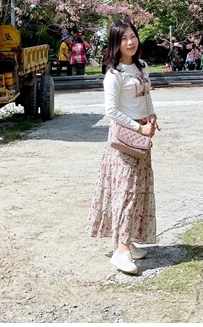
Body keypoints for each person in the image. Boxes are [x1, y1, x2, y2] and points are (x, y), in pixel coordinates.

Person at [86, 17, 160, 276]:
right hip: (124, 141)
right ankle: (121, 252)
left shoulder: (142, 67)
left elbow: (148, 97)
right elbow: (111, 111)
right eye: (123, 38)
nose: (130, 42)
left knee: (139, 190)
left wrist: (151, 117)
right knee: (126, 193)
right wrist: (138, 127)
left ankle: (128, 241)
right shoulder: (114, 74)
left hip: (142, 137)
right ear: (115, 44)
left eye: (133, 36)